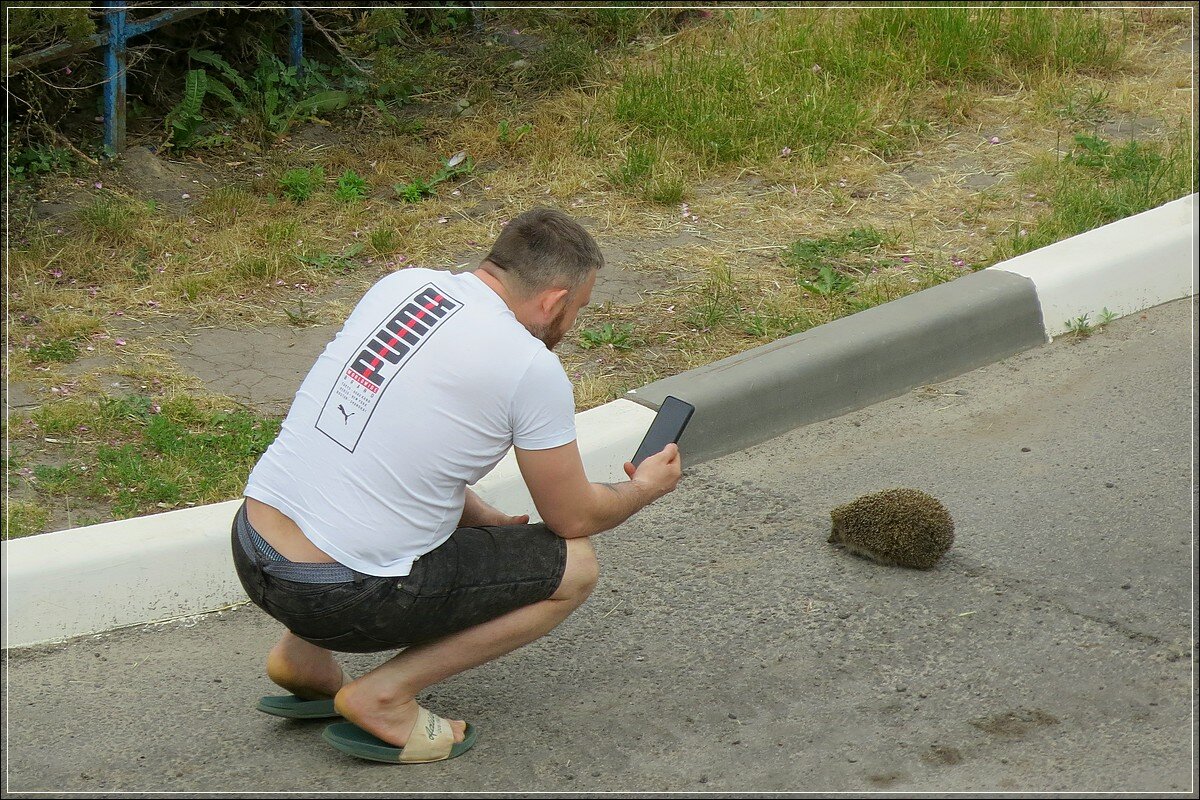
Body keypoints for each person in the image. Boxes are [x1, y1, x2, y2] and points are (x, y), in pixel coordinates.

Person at [231, 207, 682, 764]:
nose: (572, 324)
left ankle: (301, 660)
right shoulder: (527, 368)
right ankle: (383, 696)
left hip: (253, 547)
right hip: (339, 594)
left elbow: (391, 446)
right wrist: (645, 488)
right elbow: (574, 517)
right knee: (575, 567)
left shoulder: (404, 287)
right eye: (577, 309)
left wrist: (484, 518)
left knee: (357, 503)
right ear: (552, 301)